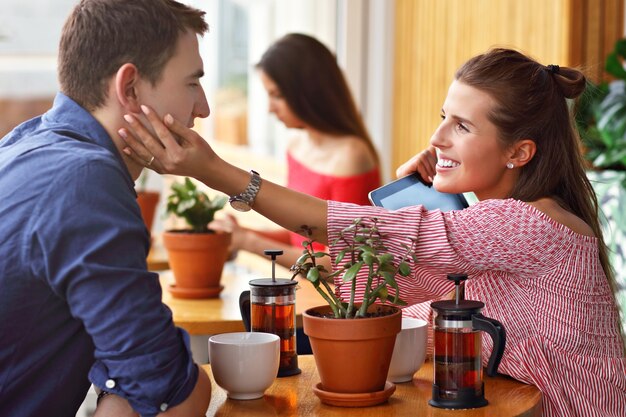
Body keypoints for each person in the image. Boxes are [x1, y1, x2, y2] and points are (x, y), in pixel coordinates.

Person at [121, 47, 626, 416]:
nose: (438, 137)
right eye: (443, 117)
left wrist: (214, 170)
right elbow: (386, 295)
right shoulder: (491, 233)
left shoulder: (529, 225)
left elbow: (360, 237)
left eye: (463, 127)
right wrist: (410, 194)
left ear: (519, 153)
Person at [0, 1, 213, 416]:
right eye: (192, 83)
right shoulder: (83, 183)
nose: (202, 108)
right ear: (130, 88)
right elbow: (169, 393)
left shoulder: (23, 145)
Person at [211, 33, 380, 272]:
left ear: (307, 91)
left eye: (277, 95)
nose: (270, 108)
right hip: (302, 291)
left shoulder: (352, 156)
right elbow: (300, 235)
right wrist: (239, 233)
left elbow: (344, 263)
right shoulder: (297, 146)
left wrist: (249, 242)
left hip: (332, 302)